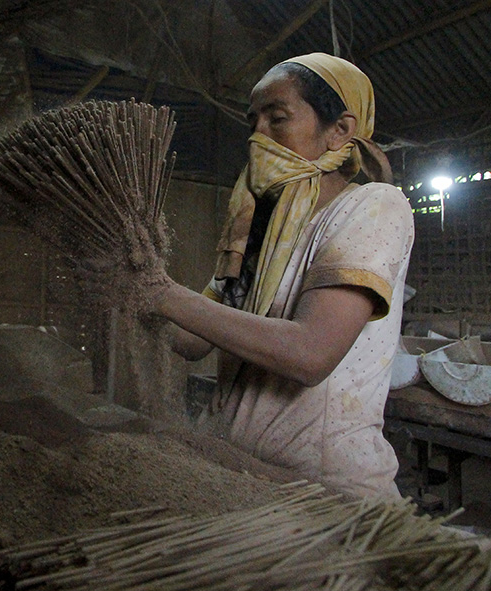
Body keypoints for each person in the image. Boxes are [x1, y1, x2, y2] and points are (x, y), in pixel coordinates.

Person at [149, 53, 414, 499]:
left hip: (324, 492)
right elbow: (191, 342)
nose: (258, 136)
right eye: (253, 121)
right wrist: (131, 283)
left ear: (340, 131)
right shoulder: (257, 228)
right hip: (237, 472)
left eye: (278, 118)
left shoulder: (373, 206)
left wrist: (160, 293)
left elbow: (311, 354)